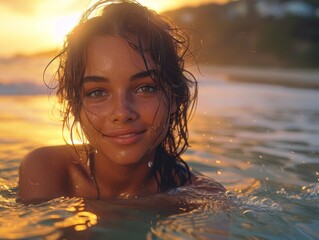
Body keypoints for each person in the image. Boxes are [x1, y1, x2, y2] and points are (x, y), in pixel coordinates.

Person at [17, 0, 225, 204]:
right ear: (74, 105)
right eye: (97, 92)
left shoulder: (203, 196)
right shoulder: (47, 169)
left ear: (174, 97)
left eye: (145, 88)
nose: (122, 112)